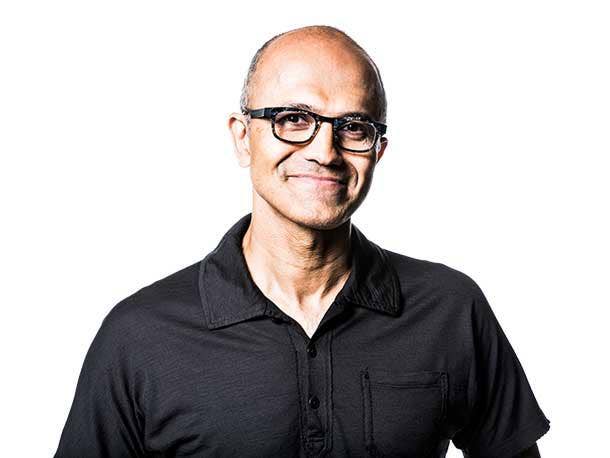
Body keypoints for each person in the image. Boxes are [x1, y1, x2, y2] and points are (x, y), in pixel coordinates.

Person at [54, 25, 550, 457]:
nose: (324, 151)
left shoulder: (451, 308)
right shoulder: (139, 335)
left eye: (353, 127)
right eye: (293, 119)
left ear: (378, 150)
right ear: (242, 137)